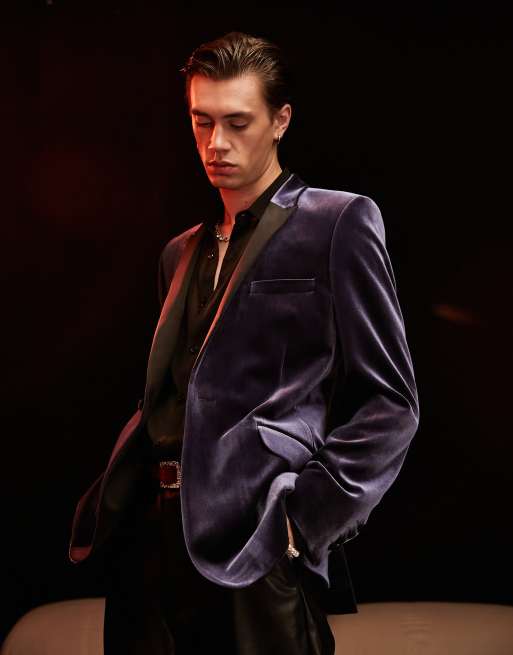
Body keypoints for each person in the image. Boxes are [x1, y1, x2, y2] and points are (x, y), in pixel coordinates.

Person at [69, 31, 419, 654]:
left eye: (237, 122)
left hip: (253, 544)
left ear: (280, 120)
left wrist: (300, 522)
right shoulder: (180, 252)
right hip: (151, 540)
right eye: (202, 122)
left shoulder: (337, 222)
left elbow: (391, 403)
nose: (216, 143)